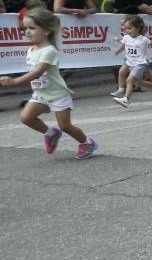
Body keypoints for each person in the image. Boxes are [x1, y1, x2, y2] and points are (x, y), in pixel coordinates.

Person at [0, 8, 97, 159]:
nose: (27, 31)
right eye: (25, 28)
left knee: (66, 126)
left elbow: (38, 72)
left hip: (57, 95)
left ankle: (87, 143)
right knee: (26, 118)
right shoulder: (32, 49)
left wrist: (15, 81)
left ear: (46, 31)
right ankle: (50, 133)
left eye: (32, 28)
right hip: (40, 94)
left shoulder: (49, 51)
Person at [111, 15, 152, 107]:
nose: (127, 31)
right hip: (130, 62)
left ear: (137, 28)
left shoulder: (143, 39)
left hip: (140, 63)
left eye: (130, 28)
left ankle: (125, 100)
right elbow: (123, 46)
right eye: (126, 29)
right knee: (138, 82)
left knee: (129, 80)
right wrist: (118, 51)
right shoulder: (126, 37)